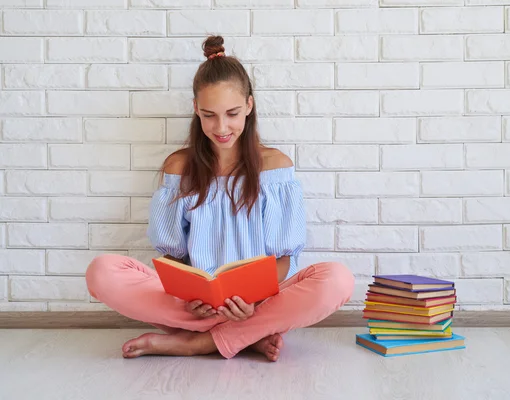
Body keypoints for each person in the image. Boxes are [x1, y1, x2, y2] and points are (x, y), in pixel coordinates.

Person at [85, 35, 355, 362]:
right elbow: (171, 256)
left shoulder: (275, 168)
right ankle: (247, 335)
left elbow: (285, 257)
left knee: (337, 280)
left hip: (261, 302)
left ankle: (200, 342)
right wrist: (190, 296)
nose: (222, 126)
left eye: (232, 113)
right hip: (195, 306)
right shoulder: (179, 167)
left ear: (249, 107)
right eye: (210, 114)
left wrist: (253, 302)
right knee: (101, 271)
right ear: (196, 109)